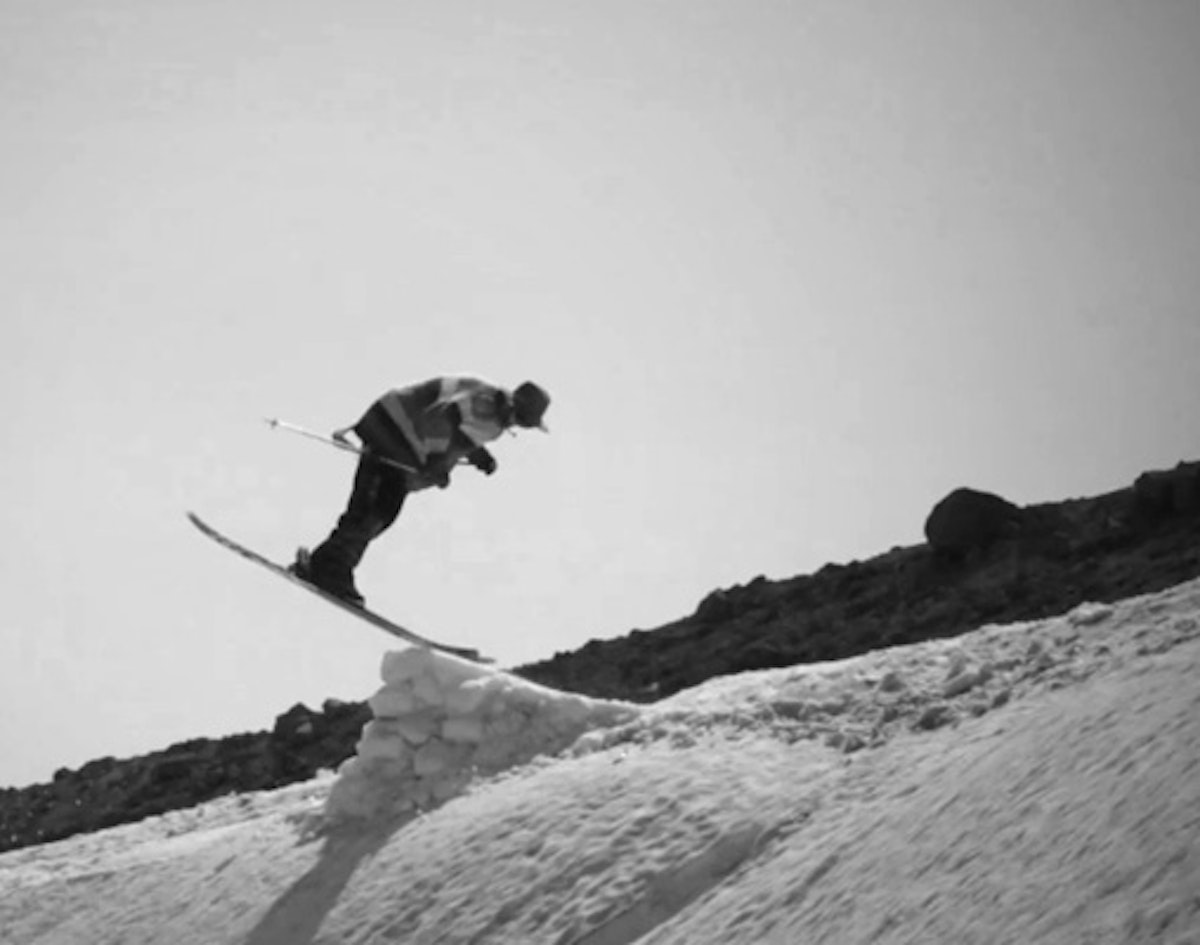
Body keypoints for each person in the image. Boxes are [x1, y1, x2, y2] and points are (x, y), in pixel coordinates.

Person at [290, 376, 550, 606]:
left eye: (525, 423)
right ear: (518, 406)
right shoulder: (486, 402)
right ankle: (331, 567)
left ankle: (324, 564)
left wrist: (477, 454)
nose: (519, 425)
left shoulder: (494, 411)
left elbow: (459, 429)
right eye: (523, 419)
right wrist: (435, 462)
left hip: (399, 435)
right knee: (375, 509)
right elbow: (441, 416)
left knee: (378, 510)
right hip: (393, 430)